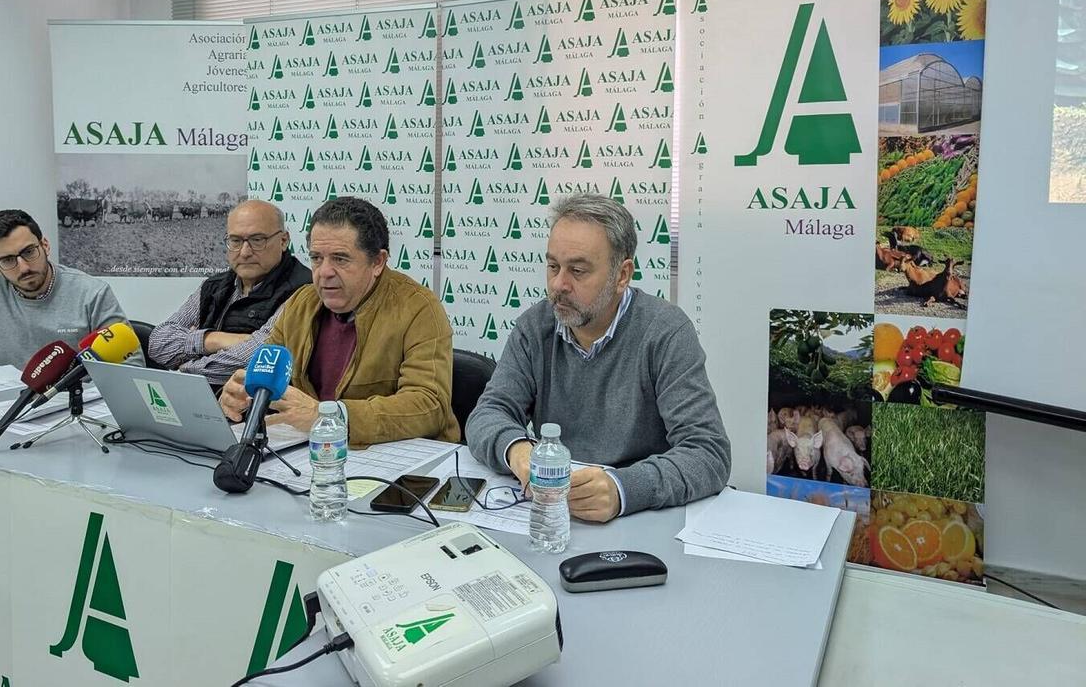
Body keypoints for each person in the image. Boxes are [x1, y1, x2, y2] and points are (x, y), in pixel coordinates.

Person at [466, 194, 730, 522]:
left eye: (577, 270)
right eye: (552, 267)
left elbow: (708, 453)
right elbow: (487, 414)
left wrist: (623, 489)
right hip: (551, 514)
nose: (559, 284)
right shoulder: (536, 326)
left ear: (622, 275)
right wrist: (518, 451)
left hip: (638, 520)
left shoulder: (665, 331)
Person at [219, 196, 458, 445]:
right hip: (313, 451)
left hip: (401, 461)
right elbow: (269, 370)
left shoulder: (418, 308)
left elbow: (429, 406)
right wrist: (245, 395)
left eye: (340, 259)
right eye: (316, 258)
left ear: (378, 262)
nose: (324, 272)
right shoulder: (301, 302)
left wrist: (327, 416)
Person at [148, 200, 311, 393]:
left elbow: (260, 358)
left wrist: (187, 367)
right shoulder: (214, 286)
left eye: (258, 240)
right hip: (202, 401)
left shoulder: (303, 290)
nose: (244, 252)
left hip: (260, 413)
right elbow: (158, 342)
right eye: (235, 241)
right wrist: (214, 339)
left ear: (283, 241)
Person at [0, 209, 140, 369]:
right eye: (8, 260)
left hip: (82, 399)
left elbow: (131, 365)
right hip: (12, 401)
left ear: (45, 245)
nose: (24, 267)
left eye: (28, 252)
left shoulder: (92, 293)